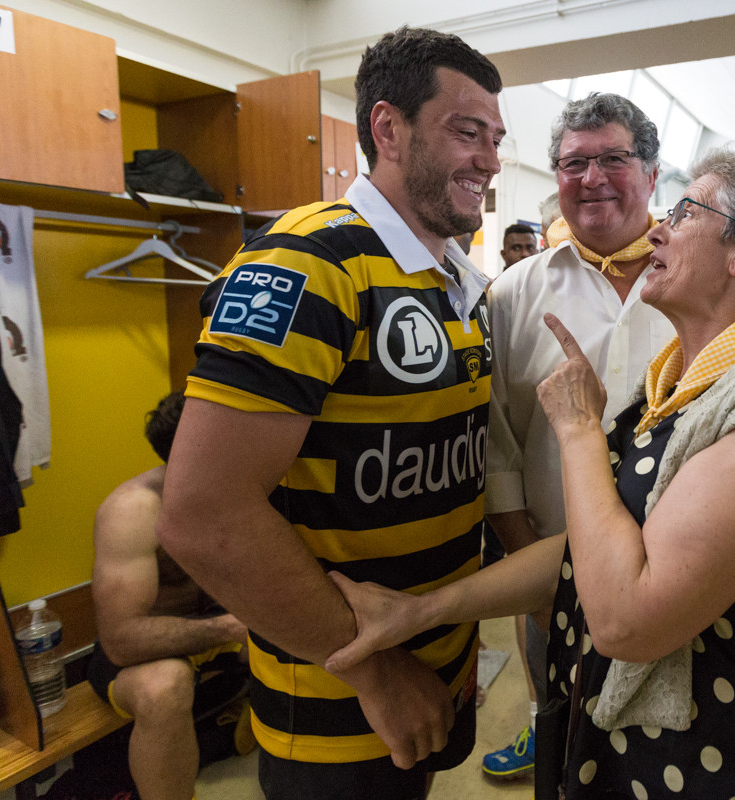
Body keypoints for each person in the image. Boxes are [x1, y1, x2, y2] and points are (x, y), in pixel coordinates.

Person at [325, 148, 735, 798]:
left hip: (698, 753)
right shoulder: (691, 379)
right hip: (616, 724)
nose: (658, 228)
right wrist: (419, 613)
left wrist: (578, 429)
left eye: (683, 212)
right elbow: (602, 547)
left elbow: (627, 618)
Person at [156, 26, 503, 800]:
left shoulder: (455, 281)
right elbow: (204, 517)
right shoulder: (308, 261)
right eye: (466, 132)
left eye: (495, 138)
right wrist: (378, 672)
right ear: (388, 128)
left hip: (440, 668)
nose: (490, 159)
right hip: (343, 695)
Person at [482, 92, 675, 781]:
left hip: (690, 574)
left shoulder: (704, 282)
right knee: (565, 737)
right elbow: (498, 446)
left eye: (613, 159)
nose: (591, 177)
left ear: (653, 176)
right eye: (573, 163)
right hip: (552, 572)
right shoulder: (513, 294)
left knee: (667, 750)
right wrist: (529, 575)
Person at [89, 392, 251, 800]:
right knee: (166, 686)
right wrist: (231, 626)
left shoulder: (244, 490)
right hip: (149, 654)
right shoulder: (133, 511)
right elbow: (122, 640)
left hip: (226, 635)